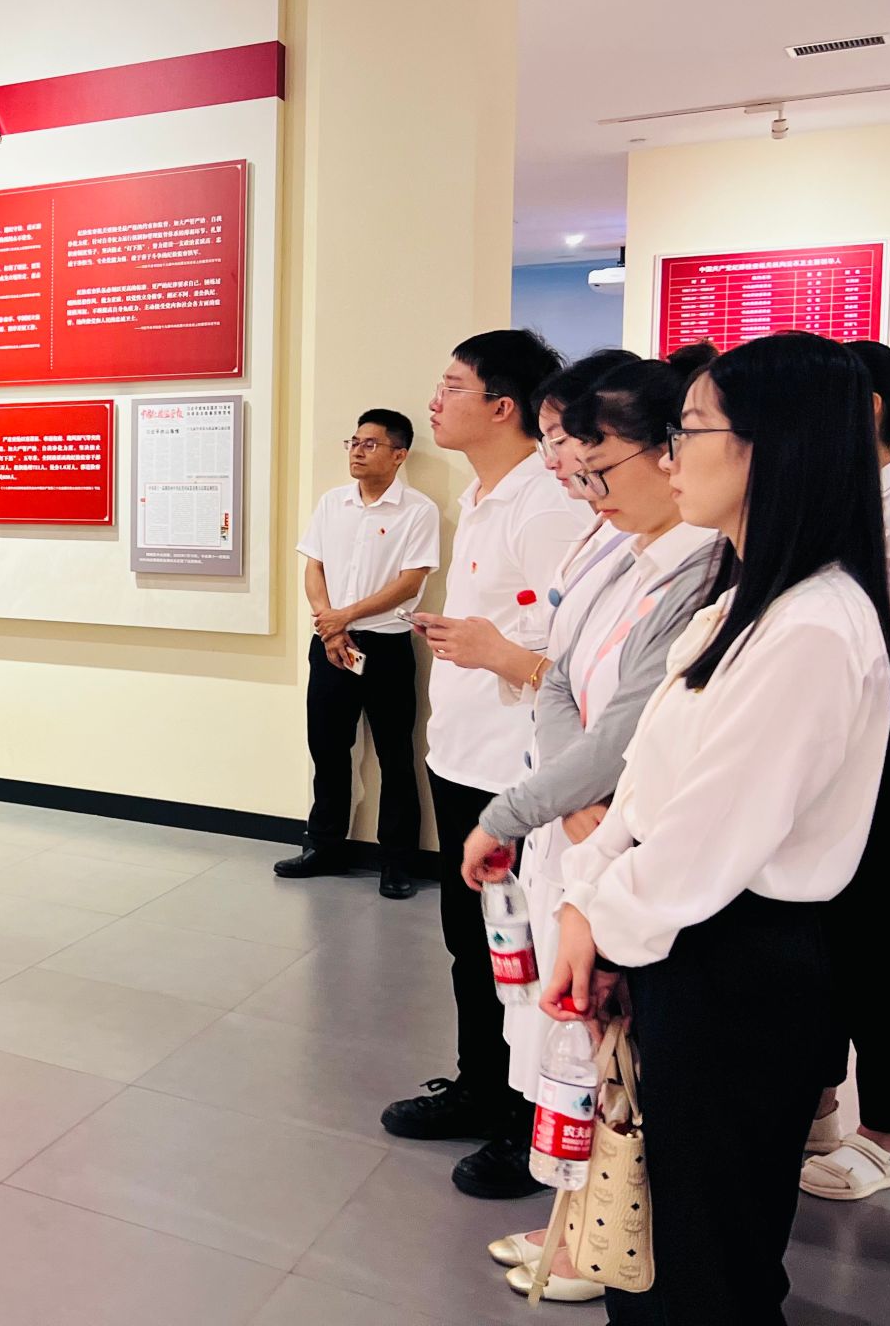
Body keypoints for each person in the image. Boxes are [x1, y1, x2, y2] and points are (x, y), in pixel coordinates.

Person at [544, 332, 890, 1324]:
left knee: (707, 1264)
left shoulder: (814, 626)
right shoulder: (743, 601)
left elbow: (705, 839)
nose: (669, 458)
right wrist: (588, 902)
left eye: (688, 431)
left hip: (741, 966)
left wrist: (597, 920)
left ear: (767, 447)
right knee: (664, 1241)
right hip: (685, 947)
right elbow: (649, 792)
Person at [454, 348, 722, 1295]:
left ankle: (599, 1240)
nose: (573, 472)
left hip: (612, 841)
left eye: (590, 455)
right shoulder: (626, 546)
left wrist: (538, 805)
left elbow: (623, 728)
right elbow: (564, 680)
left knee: (603, 1056)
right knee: (564, 1045)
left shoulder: (703, 571)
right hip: (573, 822)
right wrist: (566, 799)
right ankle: (578, 1225)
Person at [380, 330, 590, 1194]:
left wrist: (496, 651)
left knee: (520, 954)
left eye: (452, 386)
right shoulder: (484, 495)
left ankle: (526, 1119)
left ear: (503, 407)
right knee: (473, 943)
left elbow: (576, 655)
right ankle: (479, 1085)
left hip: (518, 773)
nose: (435, 401)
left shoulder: (547, 506)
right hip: (463, 755)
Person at [800, 337, 890, 1202]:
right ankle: (820, 1101)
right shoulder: (835, 502)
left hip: (885, 756)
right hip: (831, 755)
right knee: (824, 935)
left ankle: (884, 1133)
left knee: (877, 945)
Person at [275, 409, 439, 897]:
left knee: (395, 755)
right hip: (330, 644)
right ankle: (324, 846)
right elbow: (314, 567)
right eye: (354, 442)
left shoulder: (418, 510)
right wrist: (330, 626)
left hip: (385, 646)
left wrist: (344, 616)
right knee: (327, 750)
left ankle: (398, 861)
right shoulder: (333, 503)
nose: (358, 451)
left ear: (399, 455)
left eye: (371, 444)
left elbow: (410, 582)